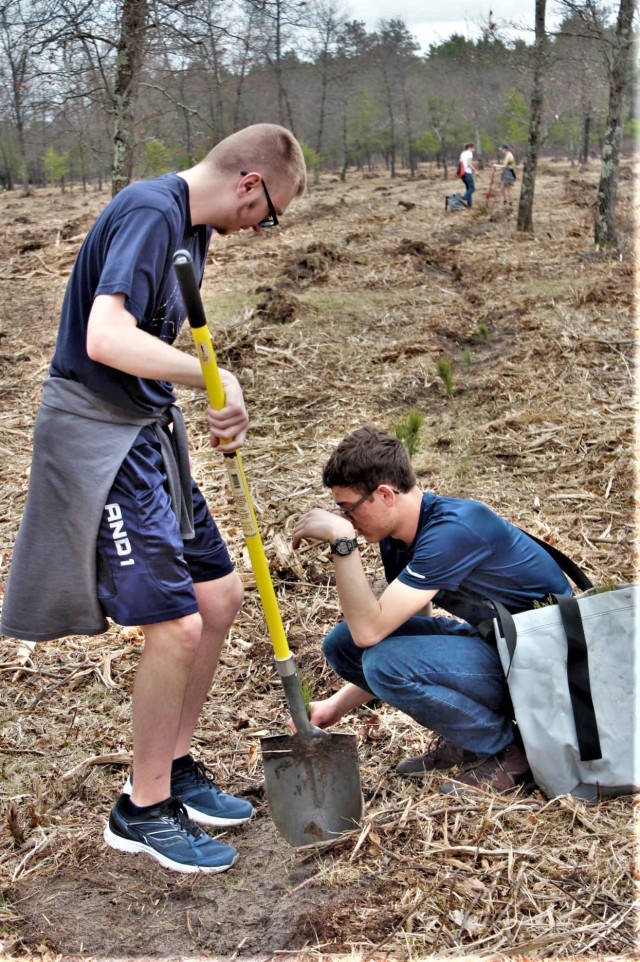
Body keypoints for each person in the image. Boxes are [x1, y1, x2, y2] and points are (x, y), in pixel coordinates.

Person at [1, 123, 307, 873]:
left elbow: (158, 346)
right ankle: (140, 809)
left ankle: (172, 767)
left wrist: (211, 399)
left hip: (146, 429)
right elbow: (106, 338)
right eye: (270, 213)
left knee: (219, 597)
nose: (264, 228)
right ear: (247, 183)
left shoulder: (191, 230)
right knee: (172, 625)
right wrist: (211, 379)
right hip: (99, 438)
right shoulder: (150, 212)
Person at [290, 426, 574, 795]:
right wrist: (335, 706)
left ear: (385, 495)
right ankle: (469, 738)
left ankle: (510, 752)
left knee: (378, 657)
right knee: (342, 645)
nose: (347, 522)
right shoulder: (399, 538)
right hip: (502, 647)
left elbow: (372, 633)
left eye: (348, 509)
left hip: (549, 666)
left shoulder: (454, 530)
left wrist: (342, 543)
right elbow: (405, 634)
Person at [458, 142, 479, 208]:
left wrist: (471, 170)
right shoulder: (469, 153)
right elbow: (469, 164)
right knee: (472, 188)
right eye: (473, 148)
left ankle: (469, 205)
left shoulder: (463, 153)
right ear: (470, 147)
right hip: (467, 173)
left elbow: (462, 163)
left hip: (462, 173)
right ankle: (463, 198)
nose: (474, 149)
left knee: (468, 189)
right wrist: (476, 170)